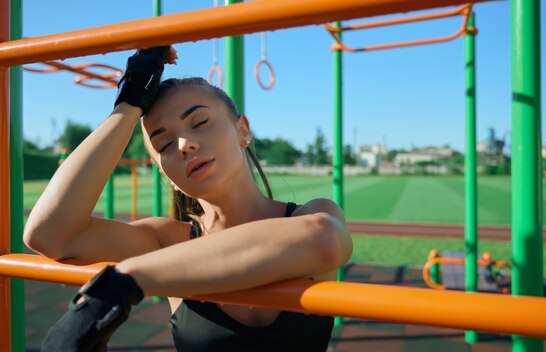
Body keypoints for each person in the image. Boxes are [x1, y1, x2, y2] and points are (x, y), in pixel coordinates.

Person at [24, 45, 352, 352]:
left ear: (243, 131)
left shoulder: (312, 216)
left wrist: (124, 282)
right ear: (165, 173)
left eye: (199, 122)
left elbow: (324, 240)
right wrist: (127, 105)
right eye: (164, 146)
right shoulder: (167, 242)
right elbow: (49, 234)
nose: (183, 145)